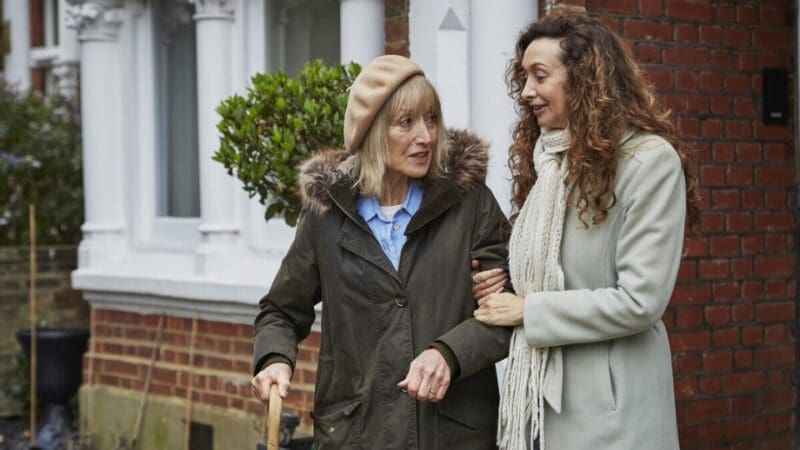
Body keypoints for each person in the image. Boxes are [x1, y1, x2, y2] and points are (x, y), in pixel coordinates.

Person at [251, 55, 512, 449]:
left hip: (452, 433)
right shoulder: (327, 216)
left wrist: (449, 353)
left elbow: (506, 311)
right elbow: (282, 311)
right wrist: (274, 358)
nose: (425, 136)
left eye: (431, 119)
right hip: (357, 434)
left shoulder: (470, 203)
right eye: (406, 123)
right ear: (371, 131)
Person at [472, 10, 700, 450]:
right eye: (523, 77)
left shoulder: (649, 163)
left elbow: (640, 300)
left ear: (584, 79)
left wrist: (527, 310)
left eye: (540, 76)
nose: (526, 92)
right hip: (537, 404)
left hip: (611, 416)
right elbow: (551, 268)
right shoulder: (550, 161)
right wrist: (503, 280)